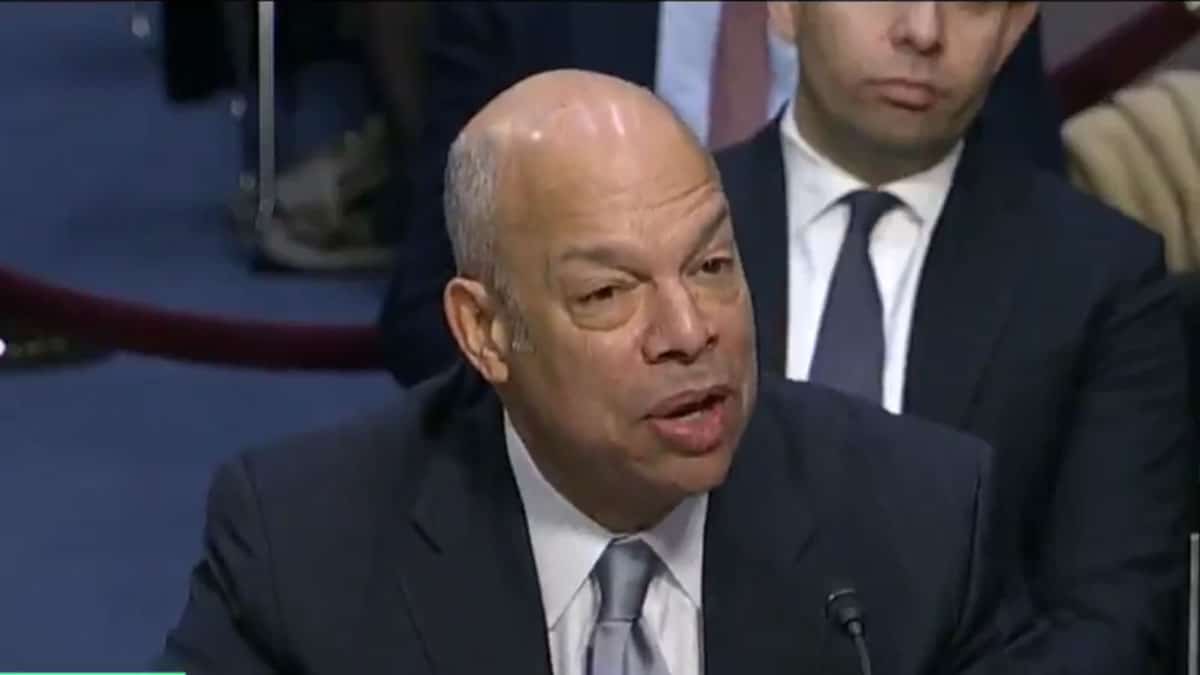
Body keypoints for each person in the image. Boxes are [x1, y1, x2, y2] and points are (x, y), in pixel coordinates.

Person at [156, 70, 1039, 675]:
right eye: (609, 292)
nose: (689, 332)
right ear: (485, 331)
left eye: (711, 266)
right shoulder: (304, 548)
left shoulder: (917, 528)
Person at [714, 3, 1196, 674]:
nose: (923, 31)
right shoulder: (666, 239)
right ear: (787, 9)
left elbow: (1116, 626)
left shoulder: (1101, 280)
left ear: (1015, 25)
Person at [376, 0, 1064, 386]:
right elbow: (431, 313)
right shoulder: (534, 16)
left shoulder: (949, 24)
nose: (923, 32)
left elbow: (1035, 295)